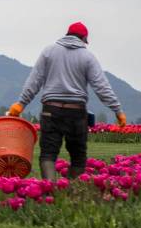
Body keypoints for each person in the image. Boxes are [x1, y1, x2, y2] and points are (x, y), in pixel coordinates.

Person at [7, 22, 127, 181]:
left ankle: (49, 190)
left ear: (67, 34)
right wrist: (117, 110)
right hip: (76, 112)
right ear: (84, 38)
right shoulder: (88, 56)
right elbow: (102, 87)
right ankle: (70, 190)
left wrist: (20, 104)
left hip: (51, 110)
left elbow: (34, 81)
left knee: (48, 154)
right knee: (78, 156)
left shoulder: (48, 51)